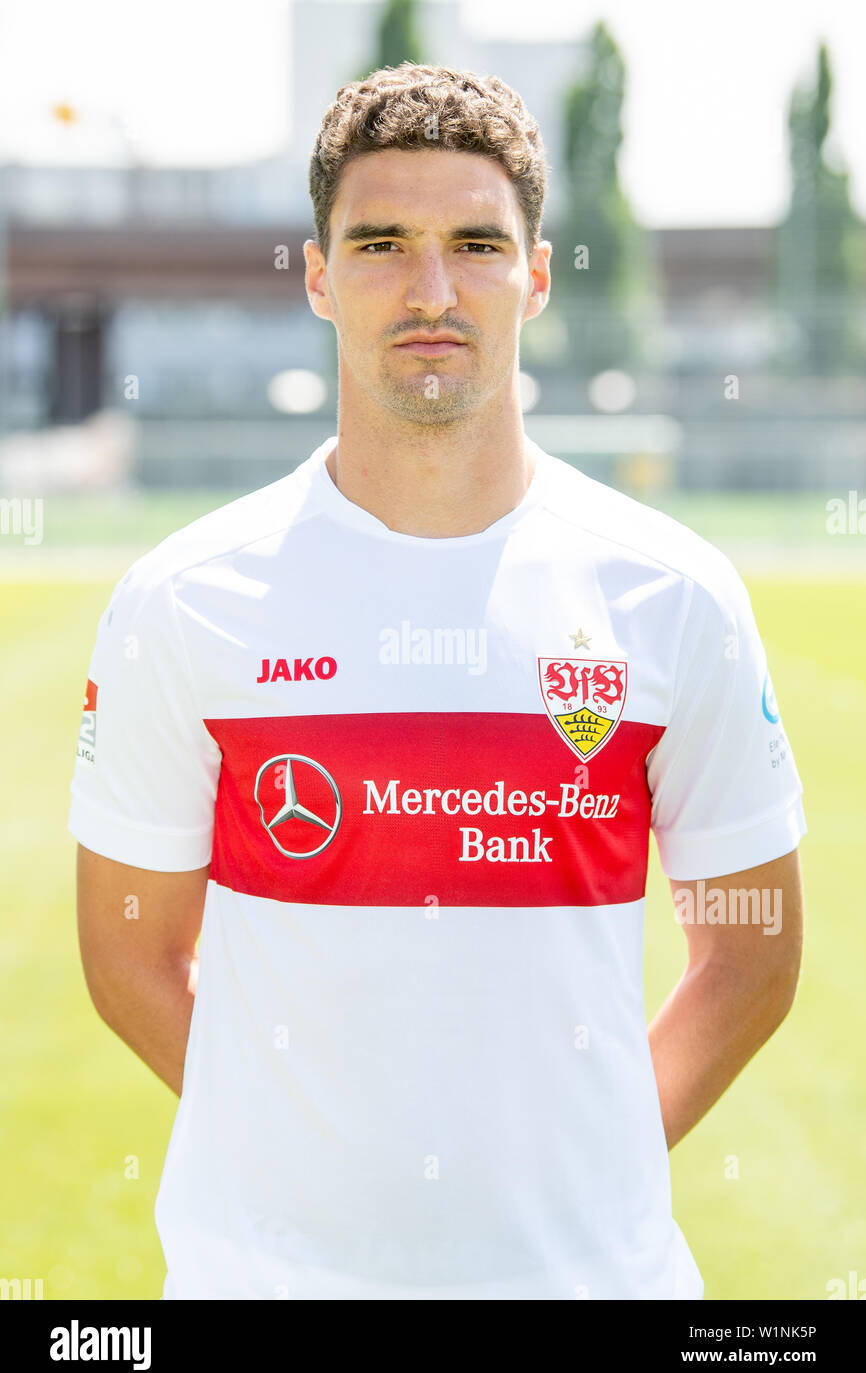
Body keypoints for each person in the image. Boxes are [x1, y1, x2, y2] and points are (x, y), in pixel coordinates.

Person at [69, 63, 806, 1301]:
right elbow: (126, 955)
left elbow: (751, 955)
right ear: (314, 276)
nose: (429, 288)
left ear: (536, 273)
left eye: (474, 242)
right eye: (378, 243)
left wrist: (589, 1171)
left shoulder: (670, 594)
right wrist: (305, 1169)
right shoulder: (184, 598)